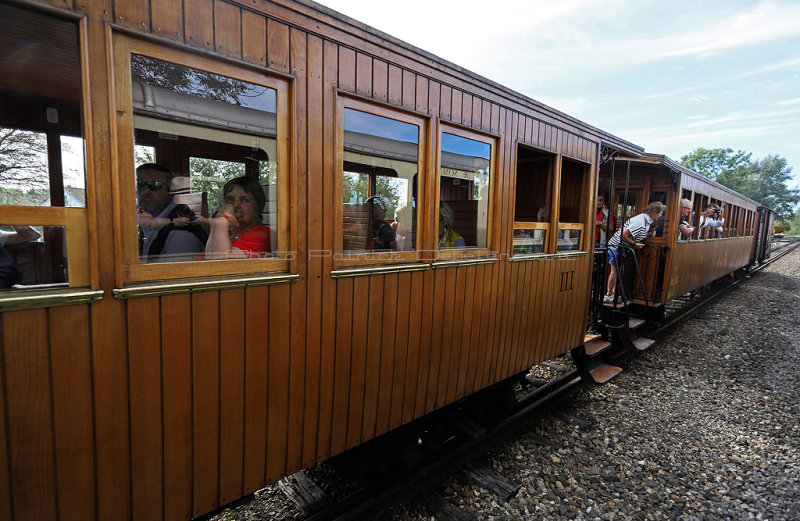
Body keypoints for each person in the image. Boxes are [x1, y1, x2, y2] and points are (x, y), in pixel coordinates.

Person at [137, 163, 208, 262]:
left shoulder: (181, 233)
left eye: (154, 185)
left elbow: (179, 275)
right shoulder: (142, 220)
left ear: (170, 192)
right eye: (140, 186)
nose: (145, 192)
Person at [604, 201, 665, 303]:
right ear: (654, 212)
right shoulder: (640, 221)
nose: (661, 215)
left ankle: (614, 293)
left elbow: (638, 233)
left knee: (619, 271)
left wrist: (649, 234)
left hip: (622, 248)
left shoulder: (646, 221)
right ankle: (609, 294)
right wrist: (634, 244)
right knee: (615, 271)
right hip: (616, 247)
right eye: (660, 213)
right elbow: (622, 235)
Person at [204, 176, 272, 259]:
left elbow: (217, 262)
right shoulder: (229, 232)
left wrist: (220, 220)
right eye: (230, 199)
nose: (235, 205)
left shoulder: (262, 234)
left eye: (244, 200)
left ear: (258, 208)